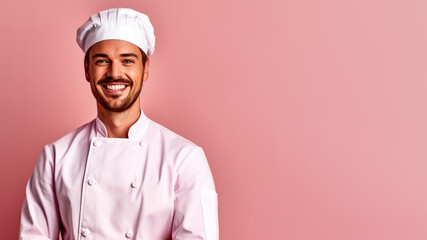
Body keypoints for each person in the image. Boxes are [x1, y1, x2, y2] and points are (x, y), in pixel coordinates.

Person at [19, 8, 218, 240]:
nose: (114, 73)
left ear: (145, 69)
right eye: (102, 60)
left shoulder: (184, 159)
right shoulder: (55, 157)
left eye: (127, 60)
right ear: (87, 69)